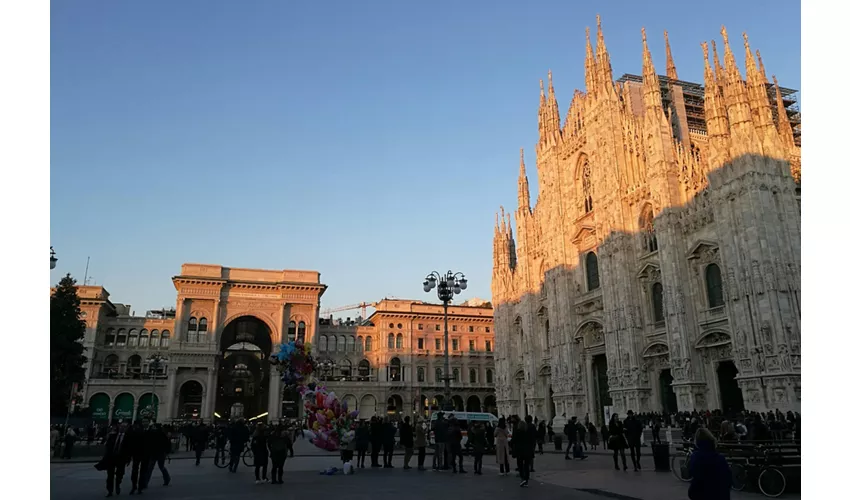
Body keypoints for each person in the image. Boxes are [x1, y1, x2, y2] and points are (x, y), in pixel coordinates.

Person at [688, 428, 732, 500]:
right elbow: (728, 479)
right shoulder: (720, 458)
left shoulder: (696, 457)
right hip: (721, 495)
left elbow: (695, 477)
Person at [100, 423, 131, 497]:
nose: (122, 428)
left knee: (120, 474)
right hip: (111, 458)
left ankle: (117, 484)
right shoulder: (112, 436)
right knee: (110, 475)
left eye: (124, 427)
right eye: (121, 426)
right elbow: (107, 446)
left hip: (121, 458)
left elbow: (129, 449)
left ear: (126, 428)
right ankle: (110, 490)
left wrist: (128, 459)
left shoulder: (128, 438)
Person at [140, 423, 171, 489]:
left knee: (150, 468)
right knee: (160, 467)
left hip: (155, 453)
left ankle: (145, 483)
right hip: (160, 453)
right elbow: (167, 443)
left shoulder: (153, 433)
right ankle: (167, 479)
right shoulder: (162, 434)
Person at [128, 421, 150, 494]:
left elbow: (130, 445)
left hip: (137, 455)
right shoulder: (146, 433)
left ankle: (134, 486)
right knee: (142, 472)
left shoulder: (133, 433)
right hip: (144, 455)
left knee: (135, 471)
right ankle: (140, 487)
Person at [514, 416, 535, 487]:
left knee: (520, 465)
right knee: (526, 465)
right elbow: (531, 441)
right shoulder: (527, 432)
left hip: (519, 451)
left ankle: (522, 477)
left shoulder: (517, 432)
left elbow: (513, 442)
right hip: (527, 451)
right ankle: (526, 480)